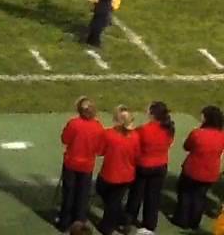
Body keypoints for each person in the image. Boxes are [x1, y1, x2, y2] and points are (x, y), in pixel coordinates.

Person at [57, 97, 107, 231]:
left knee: (68, 193)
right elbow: (100, 149)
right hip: (87, 165)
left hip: (71, 163)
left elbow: (65, 139)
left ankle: (64, 222)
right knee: (83, 194)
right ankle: (79, 221)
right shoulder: (98, 127)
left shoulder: (73, 123)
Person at [171, 105, 224, 230]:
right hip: (210, 172)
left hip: (192, 170)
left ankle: (181, 220)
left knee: (185, 194)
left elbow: (187, 146)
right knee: (200, 197)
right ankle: (194, 222)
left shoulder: (197, 133)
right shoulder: (221, 136)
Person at [126, 101, 173, 234]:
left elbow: (133, 143)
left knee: (135, 195)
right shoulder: (169, 129)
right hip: (160, 166)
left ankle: (128, 220)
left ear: (152, 114)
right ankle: (150, 224)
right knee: (153, 197)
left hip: (143, 166)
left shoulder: (143, 129)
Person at [96, 106, 140, 235]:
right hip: (127, 175)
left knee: (110, 200)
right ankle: (123, 219)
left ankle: (108, 226)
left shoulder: (109, 134)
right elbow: (137, 155)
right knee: (114, 200)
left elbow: (100, 151)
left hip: (110, 174)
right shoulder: (135, 136)